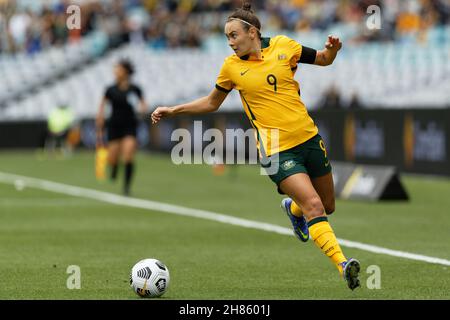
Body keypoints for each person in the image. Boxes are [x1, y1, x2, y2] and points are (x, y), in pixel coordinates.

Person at [151, 1, 361, 290]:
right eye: (227, 37)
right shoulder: (231, 68)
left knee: (327, 205)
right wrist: (174, 110)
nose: (230, 43)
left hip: (309, 138)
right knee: (314, 206)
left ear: (253, 32)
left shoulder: (285, 46)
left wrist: (333, 51)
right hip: (275, 150)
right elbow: (212, 103)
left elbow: (324, 59)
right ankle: (343, 265)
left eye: (234, 35)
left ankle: (293, 210)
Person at [96, 59, 147, 196]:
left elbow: (143, 104)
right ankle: (113, 168)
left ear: (125, 72)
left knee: (128, 155)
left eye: (118, 69)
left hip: (130, 126)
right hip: (114, 126)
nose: (115, 72)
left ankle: (126, 187)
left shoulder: (135, 89)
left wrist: (142, 110)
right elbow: (102, 106)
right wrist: (100, 120)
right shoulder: (110, 90)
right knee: (112, 158)